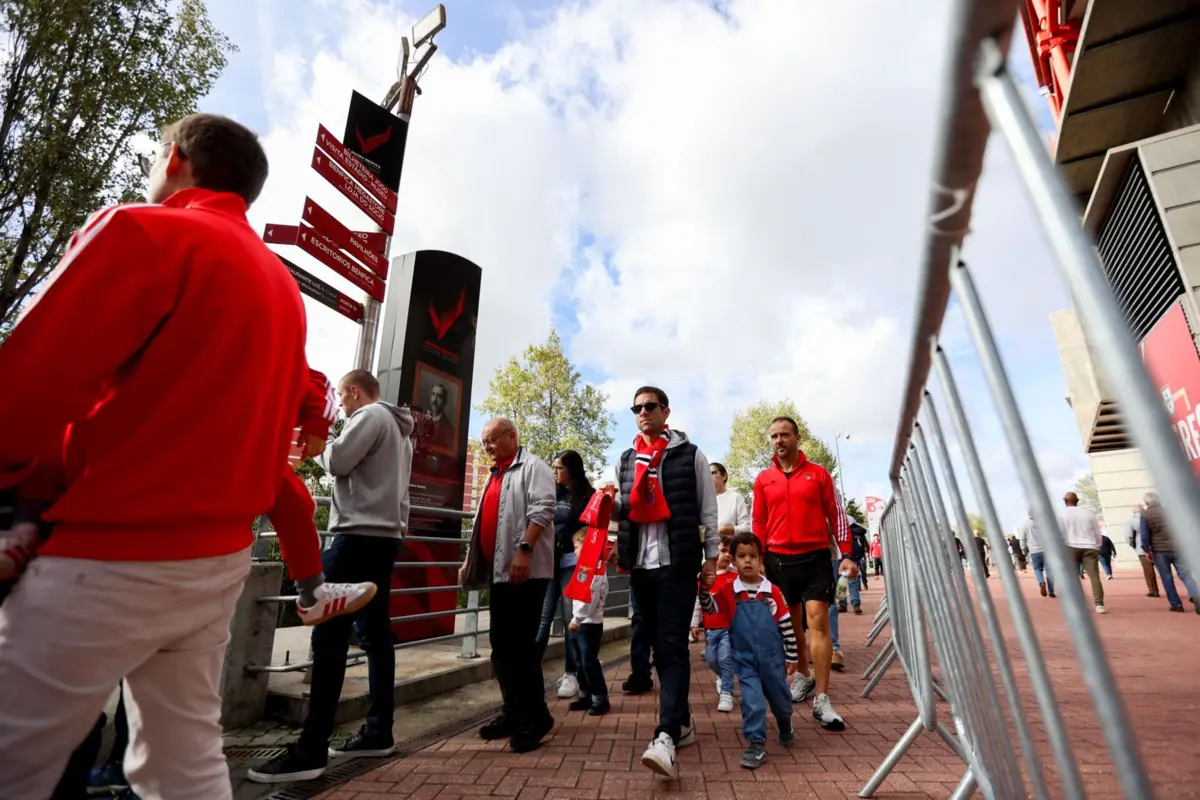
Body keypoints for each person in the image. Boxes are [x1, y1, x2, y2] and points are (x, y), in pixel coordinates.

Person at [0, 113, 317, 799]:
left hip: (107, 552)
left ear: (175, 159)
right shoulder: (283, 289)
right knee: (183, 761)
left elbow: (28, 385)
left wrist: (17, 494)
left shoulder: (146, 231)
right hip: (218, 558)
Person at [249, 370, 415, 783]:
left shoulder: (369, 416)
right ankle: (379, 731)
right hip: (385, 539)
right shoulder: (401, 431)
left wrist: (318, 447)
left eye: (341, 398)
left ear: (354, 391)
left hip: (355, 537)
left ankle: (311, 750)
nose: (339, 407)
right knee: (376, 637)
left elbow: (337, 459)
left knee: (329, 637)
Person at [609, 387, 719, 779]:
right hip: (640, 566)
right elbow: (623, 508)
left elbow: (707, 509)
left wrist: (711, 558)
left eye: (649, 406)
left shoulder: (690, 455)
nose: (642, 412)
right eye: (636, 407)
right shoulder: (626, 459)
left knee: (671, 646)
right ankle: (682, 720)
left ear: (665, 412)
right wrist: (605, 505)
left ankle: (666, 736)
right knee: (659, 646)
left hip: (676, 564)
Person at [753, 416, 854, 731]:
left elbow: (836, 514)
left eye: (784, 434)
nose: (779, 440)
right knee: (793, 625)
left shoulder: (818, 474)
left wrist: (847, 554)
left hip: (815, 558)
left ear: (797, 438)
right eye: (774, 436)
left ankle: (823, 698)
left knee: (818, 622)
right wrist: (758, 557)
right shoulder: (764, 479)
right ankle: (803, 675)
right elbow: (759, 521)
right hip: (778, 561)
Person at [462, 419, 557, 751]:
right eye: (484, 442)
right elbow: (483, 522)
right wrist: (470, 561)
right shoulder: (495, 473)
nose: (486, 447)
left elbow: (543, 510)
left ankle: (537, 717)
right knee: (501, 646)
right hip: (500, 573)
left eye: (491, 440)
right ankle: (514, 712)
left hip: (526, 572)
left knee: (520, 647)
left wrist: (524, 551)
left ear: (511, 436)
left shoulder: (533, 467)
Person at [697, 530, 797, 770]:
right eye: (742, 556)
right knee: (753, 701)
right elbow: (710, 609)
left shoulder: (772, 591)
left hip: (773, 660)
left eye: (753, 556)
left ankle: (785, 721)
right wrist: (703, 591)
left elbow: (786, 624)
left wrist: (792, 655)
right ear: (734, 560)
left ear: (760, 559)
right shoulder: (729, 591)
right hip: (745, 659)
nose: (748, 561)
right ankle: (756, 743)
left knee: (781, 699)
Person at [539, 450, 592, 700]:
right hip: (549, 560)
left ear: (571, 469)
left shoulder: (587, 495)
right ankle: (530, 671)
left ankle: (572, 672)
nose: (555, 472)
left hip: (572, 562)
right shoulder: (553, 492)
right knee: (543, 617)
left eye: (559, 467)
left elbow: (590, 530)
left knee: (571, 617)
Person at [690, 535, 737, 712]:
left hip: (729, 628)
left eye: (730, 552)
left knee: (725, 658)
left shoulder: (735, 575)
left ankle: (727, 692)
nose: (727, 555)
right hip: (710, 629)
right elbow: (698, 602)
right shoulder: (705, 577)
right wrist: (695, 624)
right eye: (723, 550)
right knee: (711, 659)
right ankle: (723, 676)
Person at [567, 531, 611, 716]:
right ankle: (585, 694)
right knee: (579, 662)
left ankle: (600, 697)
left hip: (588, 624)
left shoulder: (594, 572)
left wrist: (576, 619)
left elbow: (588, 600)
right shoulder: (585, 569)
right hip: (581, 623)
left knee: (589, 662)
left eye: (577, 547)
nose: (574, 552)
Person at [1140, 492, 1199, 614]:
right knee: (1186, 574)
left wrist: (1146, 550)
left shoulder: (1145, 514)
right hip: (1178, 548)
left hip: (1159, 551)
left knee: (1166, 578)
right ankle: (1195, 594)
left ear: (1146, 503)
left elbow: (1145, 535)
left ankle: (1176, 604)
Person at [1058, 492, 1105, 614]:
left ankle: (1081, 603)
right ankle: (1099, 604)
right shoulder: (1088, 514)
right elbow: (1097, 532)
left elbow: (1060, 532)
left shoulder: (1061, 514)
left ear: (1065, 501)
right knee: (1094, 577)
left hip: (1070, 546)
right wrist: (1098, 545)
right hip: (1089, 546)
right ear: (1077, 501)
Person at [1018, 511, 1055, 598]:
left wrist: (1023, 550)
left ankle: (1041, 582)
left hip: (1034, 550)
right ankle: (1051, 591)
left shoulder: (1025, 525)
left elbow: (1022, 539)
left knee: (1037, 568)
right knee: (1050, 571)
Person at [1125, 504, 1159, 598]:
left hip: (1142, 549)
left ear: (1133, 511)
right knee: (1163, 570)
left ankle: (1153, 590)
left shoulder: (1130, 520)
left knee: (1148, 571)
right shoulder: (1151, 517)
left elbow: (1128, 536)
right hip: (1157, 546)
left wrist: (1133, 546)